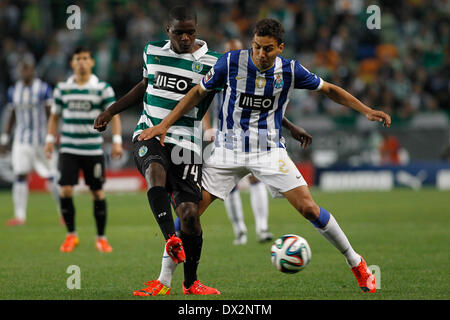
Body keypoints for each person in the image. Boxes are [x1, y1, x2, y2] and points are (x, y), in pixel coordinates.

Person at [139, 18, 392, 293]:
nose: (261, 54)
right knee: (189, 212)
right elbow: (197, 93)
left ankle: (356, 262)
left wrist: (366, 110)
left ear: (280, 48)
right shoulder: (230, 63)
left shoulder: (292, 71)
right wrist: (164, 124)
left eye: (268, 49)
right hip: (227, 150)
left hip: (269, 151)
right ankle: (165, 280)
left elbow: (329, 89)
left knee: (309, 208)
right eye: (257, 47)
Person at [94, 8, 311, 296]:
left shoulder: (214, 62)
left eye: (190, 32)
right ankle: (171, 239)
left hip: (188, 143)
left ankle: (190, 283)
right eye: (178, 32)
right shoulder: (151, 52)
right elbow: (144, 86)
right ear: (166, 29)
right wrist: (110, 112)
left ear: (197, 30)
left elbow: (249, 99)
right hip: (150, 132)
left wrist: (289, 125)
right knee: (154, 172)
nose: (185, 37)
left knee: (189, 215)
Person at [44, 47, 123, 253]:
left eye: (85, 58)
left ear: (92, 62)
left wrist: (116, 141)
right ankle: (71, 235)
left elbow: (113, 115)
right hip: (69, 148)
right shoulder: (62, 88)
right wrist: (50, 139)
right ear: (72, 63)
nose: (81, 62)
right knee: (66, 189)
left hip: (92, 149)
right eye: (77, 58)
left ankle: (101, 238)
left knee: (97, 192)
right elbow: (55, 117)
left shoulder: (102, 88)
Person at [201, 38, 274, 245]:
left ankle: (262, 228)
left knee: (255, 178)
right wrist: (209, 129)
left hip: (252, 133)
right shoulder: (220, 71)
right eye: (229, 51)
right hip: (224, 134)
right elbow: (203, 102)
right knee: (228, 185)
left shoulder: (253, 74)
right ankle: (240, 230)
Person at [0, 57, 61, 226]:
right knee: (19, 174)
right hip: (21, 140)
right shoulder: (14, 90)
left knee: (52, 176)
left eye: (28, 68)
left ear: (33, 70)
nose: (25, 71)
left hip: (42, 140)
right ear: (20, 71)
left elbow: (51, 113)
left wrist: (52, 136)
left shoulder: (43, 88)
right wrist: (5, 138)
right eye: (23, 69)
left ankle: (63, 212)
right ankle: (20, 216)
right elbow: (11, 115)